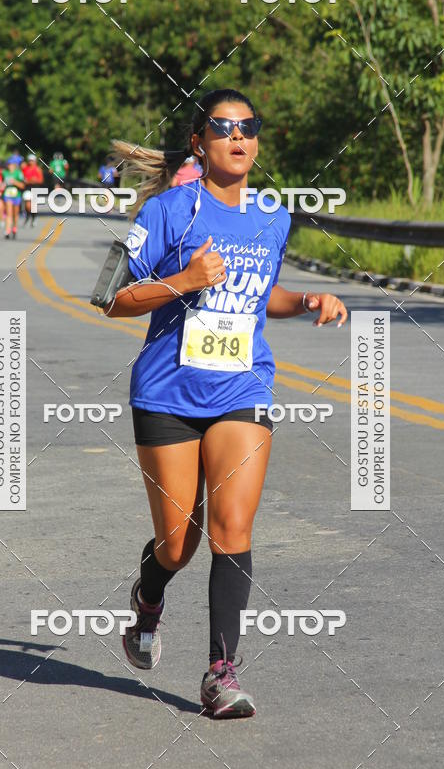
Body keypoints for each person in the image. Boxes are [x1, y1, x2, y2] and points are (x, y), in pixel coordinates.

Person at [106, 88, 347, 719]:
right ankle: (149, 595)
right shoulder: (166, 212)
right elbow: (112, 297)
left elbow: (261, 294)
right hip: (167, 393)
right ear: (199, 143)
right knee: (177, 545)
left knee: (231, 528)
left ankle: (220, 671)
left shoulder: (272, 215)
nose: (238, 137)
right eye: (222, 127)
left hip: (243, 387)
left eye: (248, 127)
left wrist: (308, 302)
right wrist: (183, 281)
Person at [2, 157, 25, 238]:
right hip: (7, 195)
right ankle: (7, 230)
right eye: (9, 165)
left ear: (15, 165)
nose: (10, 166)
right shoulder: (4, 173)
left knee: (15, 214)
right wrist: (2, 186)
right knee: (9, 213)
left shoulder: (18, 173)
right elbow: (1, 184)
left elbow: (22, 186)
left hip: (16, 195)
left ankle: (15, 227)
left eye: (11, 165)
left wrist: (14, 182)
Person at [21, 153, 44, 226]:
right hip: (27, 187)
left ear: (35, 161)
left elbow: (41, 180)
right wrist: (27, 181)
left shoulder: (38, 169)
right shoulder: (25, 168)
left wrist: (33, 180)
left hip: (35, 187)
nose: (31, 162)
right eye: (30, 160)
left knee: (33, 205)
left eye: (32, 160)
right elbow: (22, 178)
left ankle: (34, 218)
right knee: (27, 205)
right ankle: (28, 216)